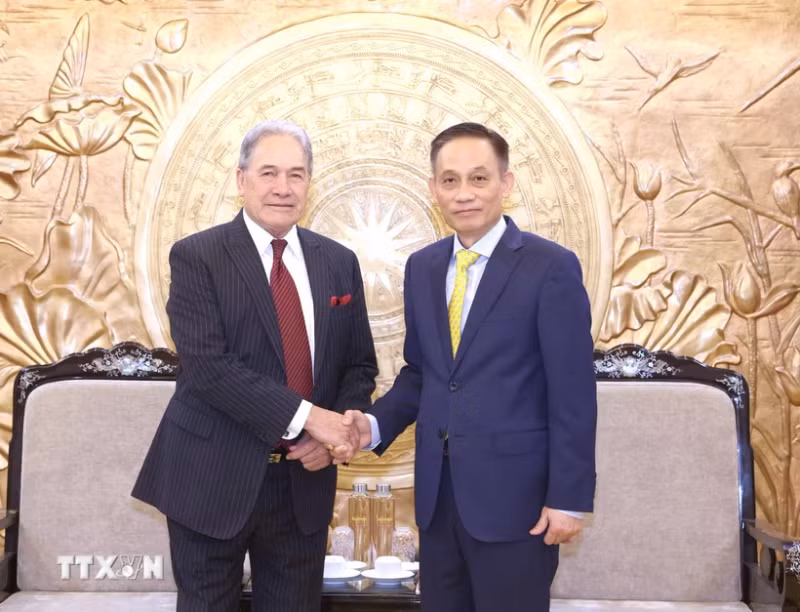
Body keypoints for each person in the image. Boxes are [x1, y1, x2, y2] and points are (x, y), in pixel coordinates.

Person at [339, 122, 597, 612]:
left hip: (517, 503)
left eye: (478, 179)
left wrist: (569, 497)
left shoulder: (550, 267)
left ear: (506, 183)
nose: (464, 194)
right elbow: (423, 373)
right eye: (450, 180)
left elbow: (573, 392)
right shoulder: (424, 267)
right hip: (437, 502)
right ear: (434, 188)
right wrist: (370, 425)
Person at [132, 119, 378, 612]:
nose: (282, 188)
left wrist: (334, 439)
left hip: (302, 483)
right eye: (268, 173)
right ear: (241, 180)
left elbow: (358, 366)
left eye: (296, 174)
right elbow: (209, 369)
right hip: (210, 475)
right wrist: (312, 418)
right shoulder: (198, 256)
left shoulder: (338, 261)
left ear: (310, 182)